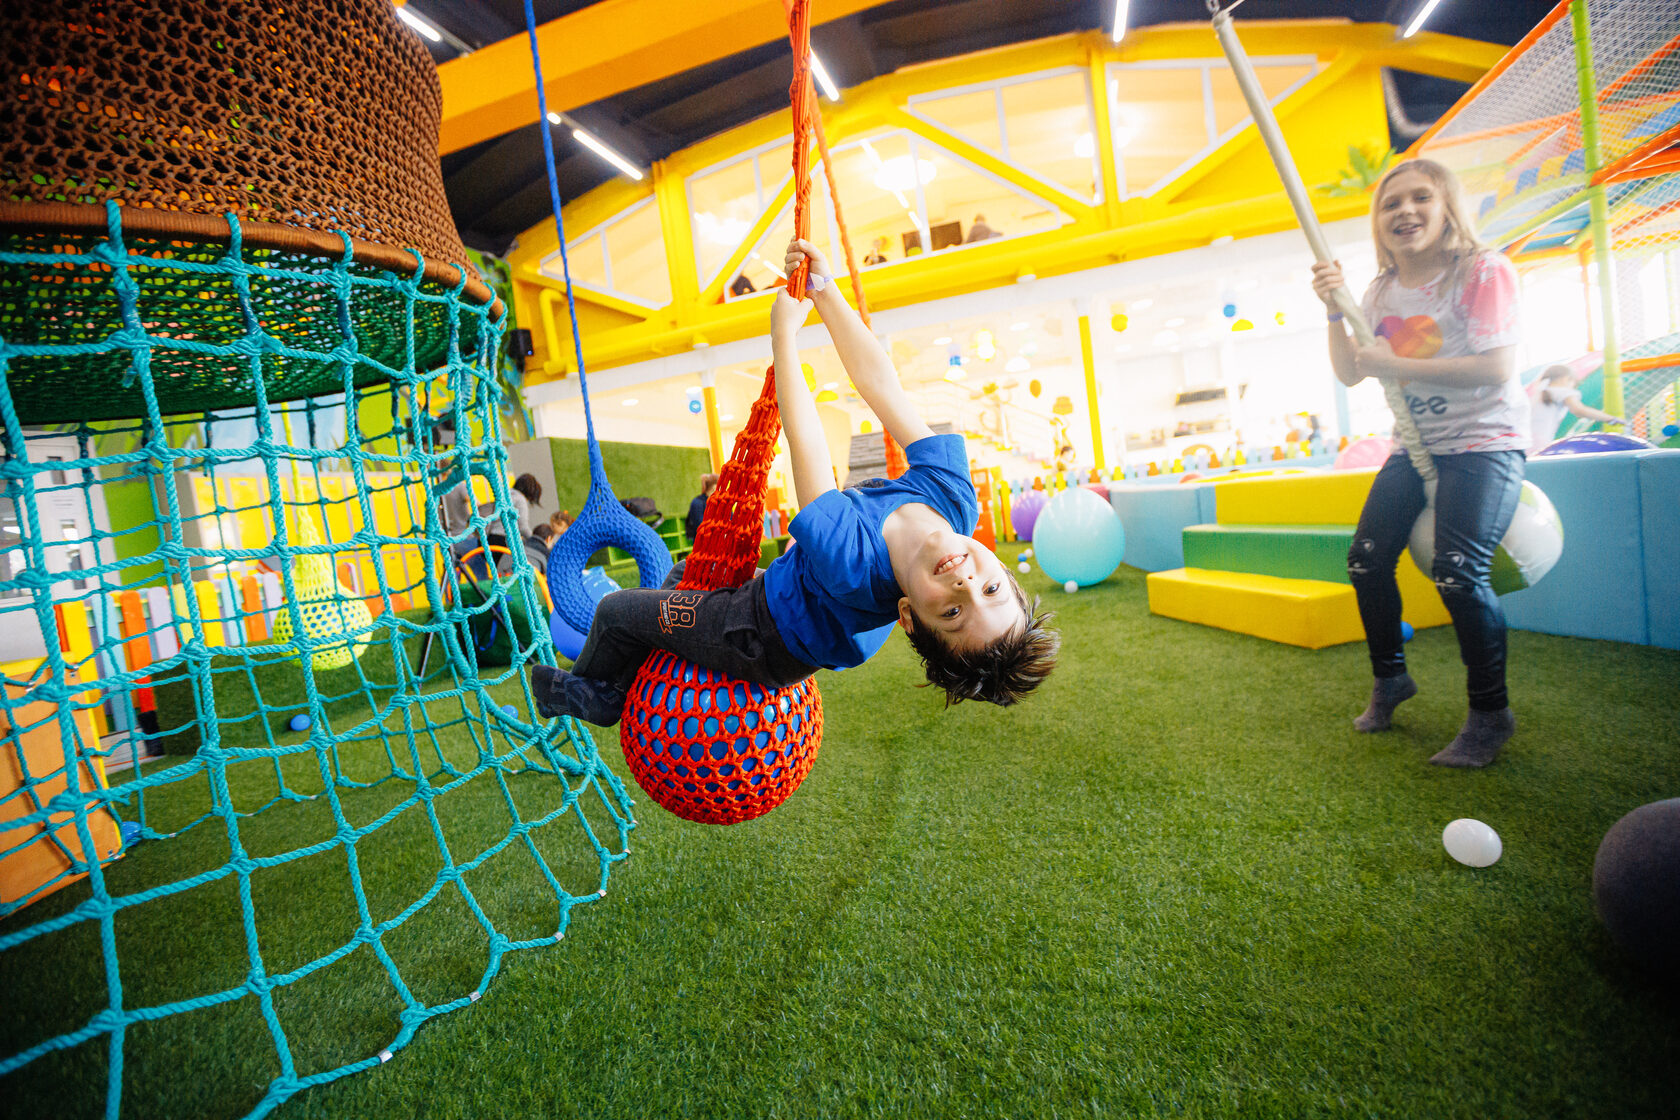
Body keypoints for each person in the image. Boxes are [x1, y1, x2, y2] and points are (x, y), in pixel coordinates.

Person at [530, 237, 1058, 725]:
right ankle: (641, 657)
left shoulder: (852, 565)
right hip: (777, 590)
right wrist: (826, 294)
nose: (966, 585)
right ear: (1006, 573)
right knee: (679, 577)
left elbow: (807, 443)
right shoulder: (953, 497)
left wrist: (784, 334)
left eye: (951, 611)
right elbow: (881, 382)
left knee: (617, 610)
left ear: (908, 617)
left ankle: (600, 694)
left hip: (755, 634)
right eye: (990, 589)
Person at [1311, 158, 1531, 769]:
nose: (1404, 211)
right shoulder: (1381, 292)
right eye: (1391, 204)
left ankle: (1491, 713)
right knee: (1365, 560)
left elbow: (1495, 367)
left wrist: (1396, 365)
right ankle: (1391, 678)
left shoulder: (1483, 271)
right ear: (1378, 223)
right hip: (1418, 445)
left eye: (1420, 199)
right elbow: (1353, 371)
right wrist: (1335, 308)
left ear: (1446, 208)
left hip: (1486, 443)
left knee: (1459, 572)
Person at [1528, 362, 1623, 454]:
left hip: (1527, 440)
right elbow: (1579, 410)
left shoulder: (1539, 393)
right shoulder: (1563, 392)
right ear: (1566, 379)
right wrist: (1610, 419)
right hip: (1540, 441)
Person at [685, 473, 718, 543]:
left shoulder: (719, 502)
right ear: (714, 488)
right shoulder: (698, 503)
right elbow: (701, 526)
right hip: (704, 545)